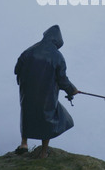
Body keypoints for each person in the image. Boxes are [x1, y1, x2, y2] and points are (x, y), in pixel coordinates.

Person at [14, 25, 79, 158]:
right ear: (58, 41)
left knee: (27, 115)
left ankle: (24, 144)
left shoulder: (29, 51)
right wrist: (72, 90)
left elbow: (17, 69)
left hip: (27, 92)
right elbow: (62, 80)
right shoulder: (58, 57)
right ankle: (43, 152)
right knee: (49, 119)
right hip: (47, 96)